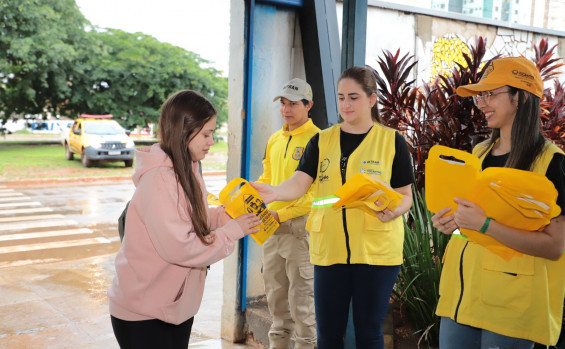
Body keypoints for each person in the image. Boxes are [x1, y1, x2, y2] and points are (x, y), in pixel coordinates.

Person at [252, 66, 415, 349]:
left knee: (368, 333)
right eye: (341, 98)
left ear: (371, 99)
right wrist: (274, 191)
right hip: (329, 251)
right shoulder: (322, 140)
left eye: (353, 97)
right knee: (328, 335)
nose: (346, 105)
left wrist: (395, 210)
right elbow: (299, 183)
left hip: (376, 252)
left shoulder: (392, 141)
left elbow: (406, 196)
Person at [107, 90, 262, 349]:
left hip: (173, 304)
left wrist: (227, 215)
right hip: (144, 311)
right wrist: (232, 231)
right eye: (206, 134)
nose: (211, 141)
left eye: (212, 133)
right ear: (183, 131)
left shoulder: (188, 168)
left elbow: (192, 217)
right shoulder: (159, 180)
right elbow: (180, 247)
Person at [431, 56, 565, 348]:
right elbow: (469, 221)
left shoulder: (552, 163)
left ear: (521, 97)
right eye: (481, 96)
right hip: (460, 300)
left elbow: (555, 247)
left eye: (491, 94)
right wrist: (452, 222)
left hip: (510, 307)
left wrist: (485, 225)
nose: (482, 104)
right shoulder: (478, 154)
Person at [256, 78, 320, 349]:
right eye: (283, 103)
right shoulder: (275, 139)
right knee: (276, 304)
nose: (286, 109)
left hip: (299, 229)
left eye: (293, 104)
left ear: (309, 105)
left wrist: (284, 214)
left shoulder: (319, 140)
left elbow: (317, 194)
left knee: (303, 307)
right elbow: (268, 179)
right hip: (271, 228)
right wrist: (251, 200)